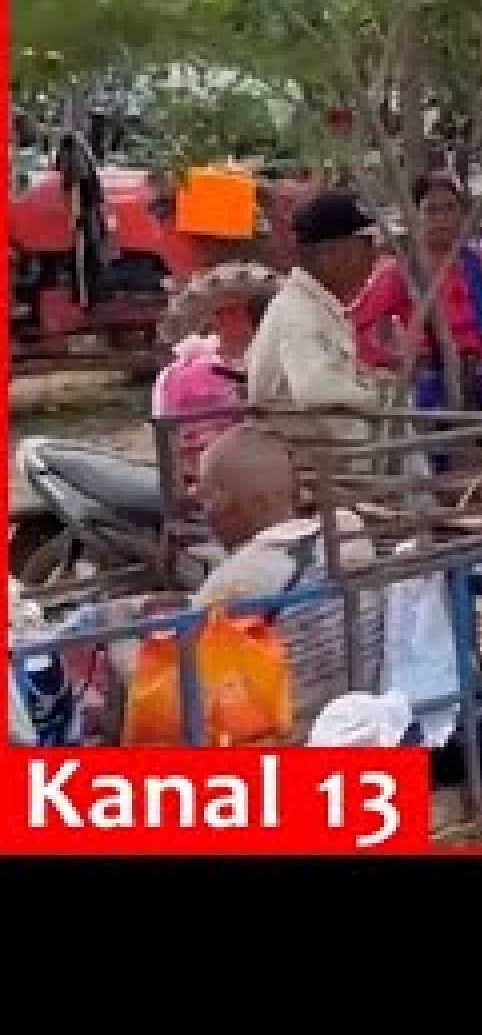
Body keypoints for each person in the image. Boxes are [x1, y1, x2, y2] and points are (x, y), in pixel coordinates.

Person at [193, 423, 387, 732]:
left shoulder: (231, 583)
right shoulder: (348, 530)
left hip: (294, 743)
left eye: (207, 497)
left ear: (238, 504)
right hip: (369, 721)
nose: (204, 510)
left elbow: (194, 684)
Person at [351, 172, 482, 414]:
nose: (442, 218)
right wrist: (395, 362)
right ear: (414, 217)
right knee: (444, 450)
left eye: (450, 208)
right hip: (434, 384)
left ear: (462, 212)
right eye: (431, 210)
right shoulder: (403, 273)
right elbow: (354, 327)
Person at [247, 189, 384, 443]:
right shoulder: (297, 314)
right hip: (318, 466)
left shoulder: (317, 308)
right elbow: (317, 393)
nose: (374, 256)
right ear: (335, 253)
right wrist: (375, 397)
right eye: (367, 244)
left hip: (336, 459)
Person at [153, 285, 275, 485]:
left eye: (238, 312)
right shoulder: (191, 370)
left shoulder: (261, 361)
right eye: (225, 313)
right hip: (219, 467)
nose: (228, 319)